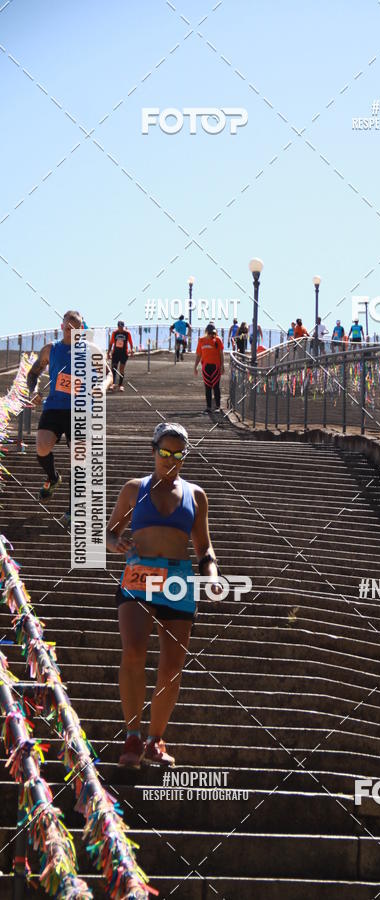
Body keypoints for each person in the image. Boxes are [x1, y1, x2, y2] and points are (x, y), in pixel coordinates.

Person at [107, 422, 221, 768]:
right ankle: (132, 735)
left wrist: (211, 576)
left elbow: (203, 547)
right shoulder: (133, 489)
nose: (170, 459)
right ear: (153, 450)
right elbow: (111, 533)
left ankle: (156, 739)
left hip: (178, 579)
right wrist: (117, 543)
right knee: (134, 650)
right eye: (164, 452)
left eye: (177, 454)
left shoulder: (196, 495)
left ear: (184, 457)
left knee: (172, 667)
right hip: (140, 574)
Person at [27, 310, 111, 522]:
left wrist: (102, 385)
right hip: (54, 406)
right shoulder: (50, 349)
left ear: (82, 329)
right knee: (41, 446)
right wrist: (33, 391)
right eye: (68, 327)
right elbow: (33, 373)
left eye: (77, 328)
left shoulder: (91, 350)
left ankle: (74, 507)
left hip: (82, 408)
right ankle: (53, 478)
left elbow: (108, 373)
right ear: (62, 327)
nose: (72, 331)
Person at [195, 324, 225, 413]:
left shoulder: (218, 340)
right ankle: (208, 407)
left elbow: (221, 354)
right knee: (207, 386)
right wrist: (195, 366)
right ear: (206, 332)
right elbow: (199, 355)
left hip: (216, 366)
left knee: (216, 386)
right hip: (206, 366)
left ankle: (217, 406)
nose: (212, 335)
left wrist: (222, 365)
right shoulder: (201, 341)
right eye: (210, 333)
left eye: (213, 333)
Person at [108, 320, 134, 392]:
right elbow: (111, 343)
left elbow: (131, 342)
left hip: (123, 353)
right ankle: (113, 384)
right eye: (119, 327)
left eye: (122, 327)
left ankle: (121, 385)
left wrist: (131, 350)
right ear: (117, 327)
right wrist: (108, 353)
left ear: (123, 327)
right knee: (114, 368)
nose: (120, 328)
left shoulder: (127, 333)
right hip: (115, 353)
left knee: (121, 369)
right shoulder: (114, 333)